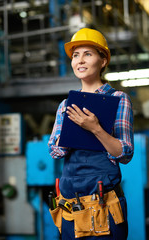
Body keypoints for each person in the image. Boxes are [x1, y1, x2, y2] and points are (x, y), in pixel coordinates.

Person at [48, 28, 134, 240]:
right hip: (70, 205)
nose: (80, 60)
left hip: (104, 206)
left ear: (103, 61)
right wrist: (73, 128)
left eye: (88, 54)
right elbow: (54, 151)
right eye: (76, 55)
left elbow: (125, 154)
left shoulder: (119, 99)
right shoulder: (66, 105)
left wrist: (95, 128)